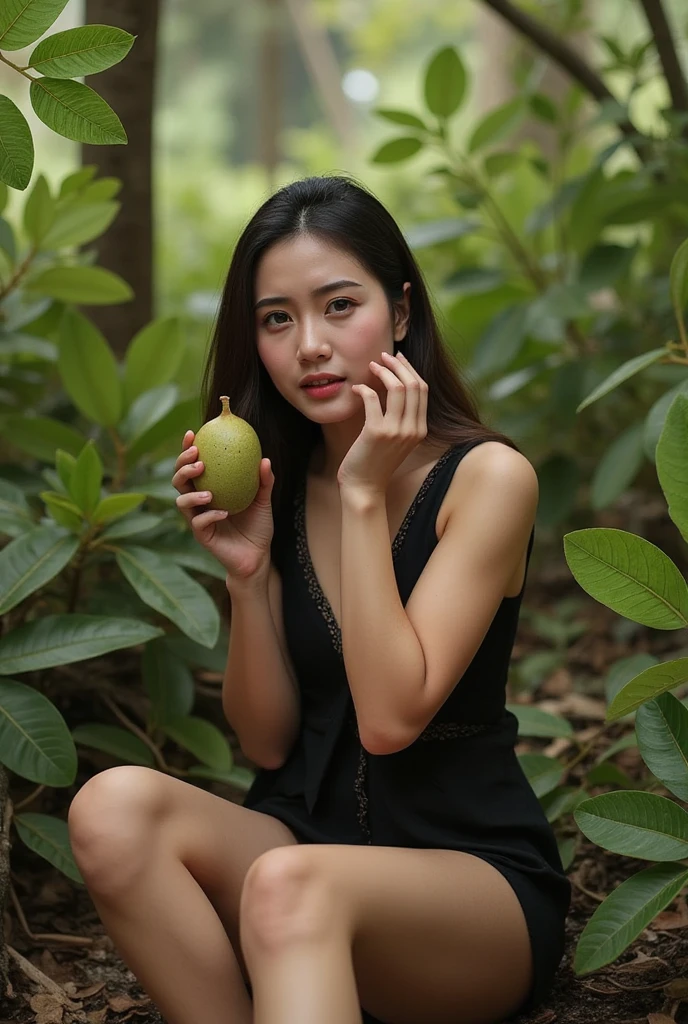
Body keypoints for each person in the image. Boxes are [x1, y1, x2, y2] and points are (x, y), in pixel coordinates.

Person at [67, 175, 571, 1024]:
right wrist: (249, 574)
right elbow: (267, 744)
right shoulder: (280, 485)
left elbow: (389, 718)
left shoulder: (487, 480)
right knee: (113, 809)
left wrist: (367, 495)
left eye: (340, 306)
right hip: (300, 855)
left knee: (290, 885)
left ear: (400, 312)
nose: (309, 344)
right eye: (277, 319)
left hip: (466, 887)